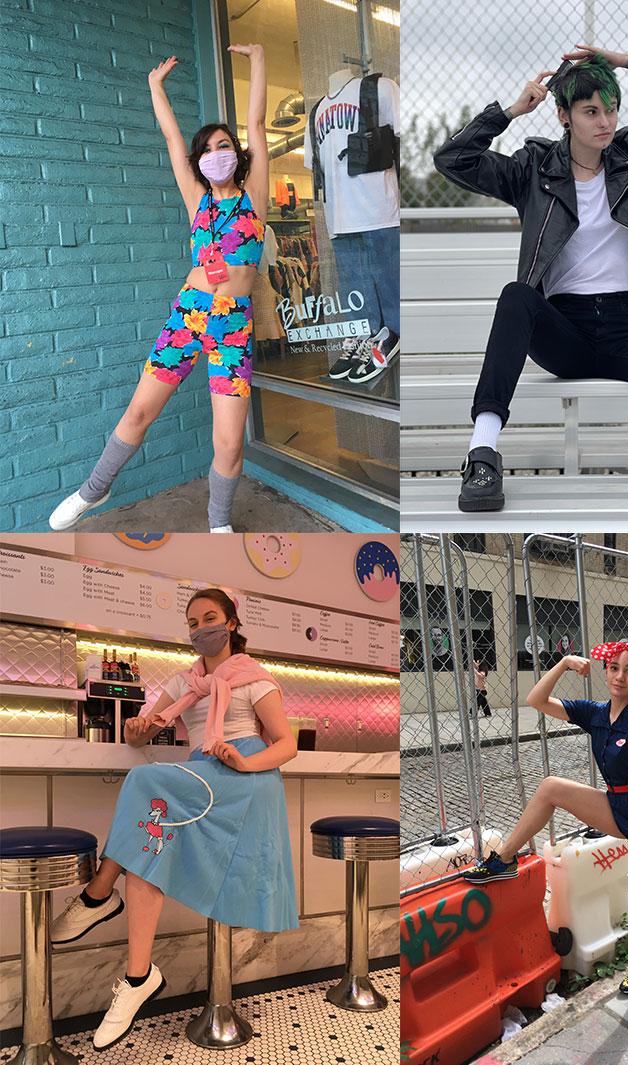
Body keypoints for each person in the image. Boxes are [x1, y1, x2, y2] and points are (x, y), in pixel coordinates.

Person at [433, 46, 628, 511]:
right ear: (563, 116)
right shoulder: (533, 170)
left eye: (611, 109)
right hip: (564, 334)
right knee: (516, 296)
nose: (604, 121)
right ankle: (482, 455)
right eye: (591, 111)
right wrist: (509, 112)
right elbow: (452, 159)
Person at [50, 588, 298, 1050]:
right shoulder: (185, 683)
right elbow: (146, 723)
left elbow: (286, 744)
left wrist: (245, 763)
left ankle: (98, 895)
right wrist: (137, 727)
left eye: (209, 617)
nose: (199, 627)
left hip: (243, 779)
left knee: (144, 783)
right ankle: (137, 976)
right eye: (191, 622)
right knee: (149, 850)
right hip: (206, 773)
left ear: (230, 623)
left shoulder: (253, 677)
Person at [49, 45, 269, 533]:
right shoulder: (197, 201)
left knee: (230, 443)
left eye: (224, 146)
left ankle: (218, 524)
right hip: (189, 313)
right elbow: (172, 138)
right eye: (208, 149)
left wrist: (256, 61)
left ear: (238, 153)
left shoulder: (255, 199)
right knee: (140, 410)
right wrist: (155, 86)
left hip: (233, 322)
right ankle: (94, 488)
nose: (217, 155)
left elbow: (257, 124)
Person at [462, 640, 628, 996]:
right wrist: (562, 664)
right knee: (550, 787)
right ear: (605, 670)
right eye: (614, 668)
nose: (620, 676)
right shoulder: (595, 713)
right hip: (616, 807)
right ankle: (504, 859)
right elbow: (537, 701)